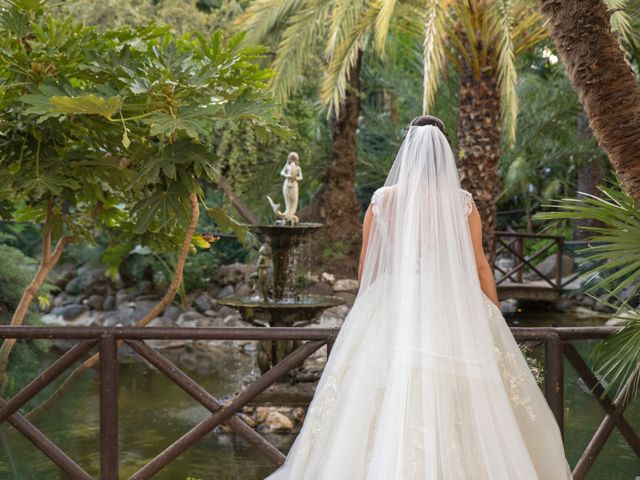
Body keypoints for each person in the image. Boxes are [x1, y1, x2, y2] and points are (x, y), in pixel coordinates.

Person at [265, 115, 573, 479]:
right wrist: (493, 320)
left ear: (407, 151)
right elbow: (479, 268)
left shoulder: (383, 201)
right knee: (458, 403)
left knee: (383, 401)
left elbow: (366, 267)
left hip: (395, 308)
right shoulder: (462, 204)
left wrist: (369, 313)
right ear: (444, 155)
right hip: (451, 311)